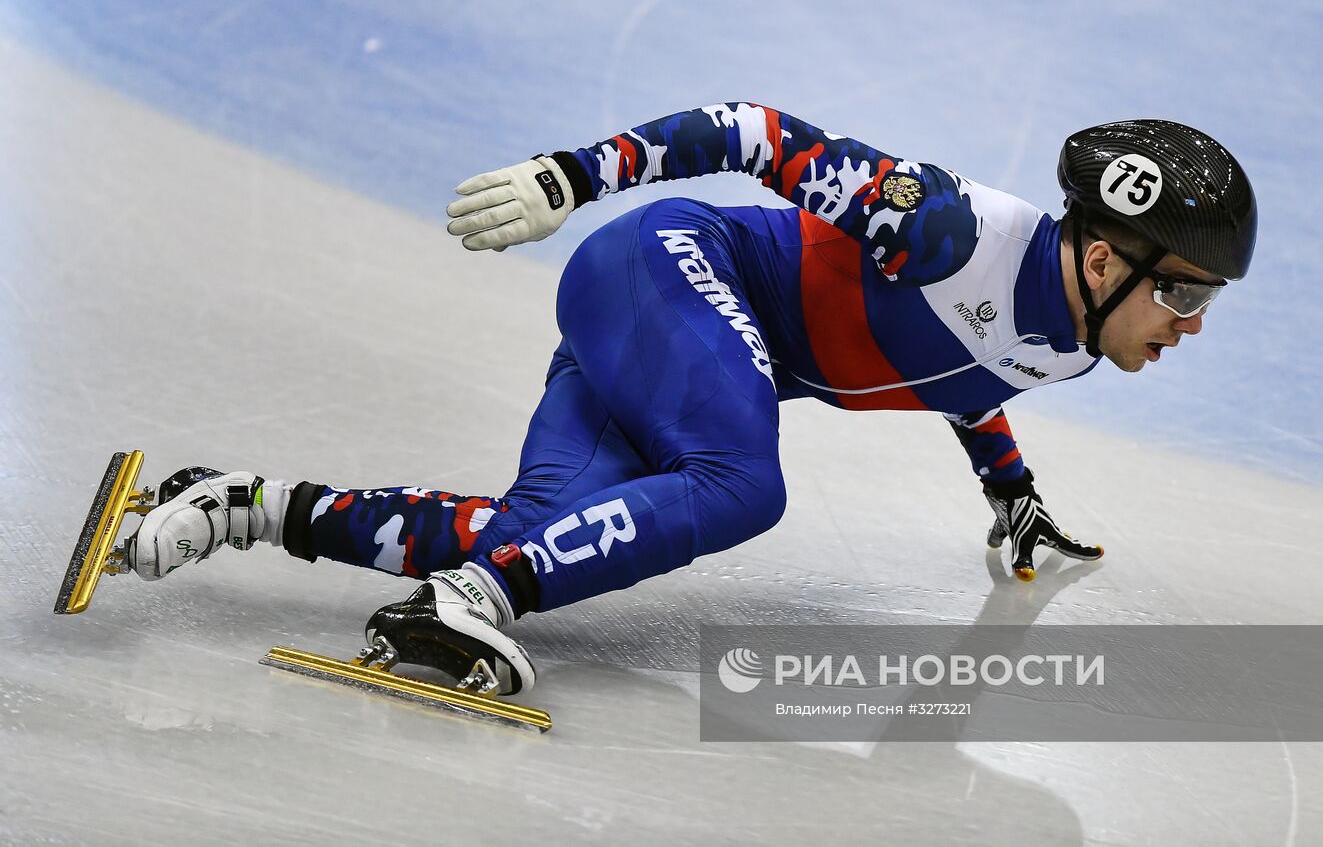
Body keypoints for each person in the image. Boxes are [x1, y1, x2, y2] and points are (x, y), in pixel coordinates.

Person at [125, 104, 1257, 696]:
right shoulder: (943, 228)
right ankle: (472, 597)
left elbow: (974, 374)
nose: (1191, 324)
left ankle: (243, 504)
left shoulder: (1076, 342)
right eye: (1183, 289)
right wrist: (569, 175)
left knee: (543, 535)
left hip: (681, 349)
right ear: (1104, 259)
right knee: (737, 485)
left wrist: (1008, 493)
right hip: (668, 269)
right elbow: (752, 133)